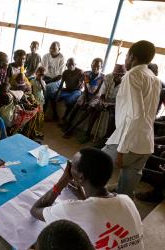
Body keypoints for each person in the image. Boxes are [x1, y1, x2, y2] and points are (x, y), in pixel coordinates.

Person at [31, 148, 144, 250]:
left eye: (71, 165)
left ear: (81, 177)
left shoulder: (71, 210)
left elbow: (35, 210)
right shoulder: (127, 200)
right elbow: (101, 211)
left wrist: (63, 181)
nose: (69, 168)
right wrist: (83, 197)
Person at [102, 40, 161, 198]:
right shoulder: (155, 79)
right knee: (126, 190)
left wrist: (121, 150)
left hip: (128, 142)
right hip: (145, 143)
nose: (126, 59)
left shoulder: (133, 74)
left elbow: (136, 115)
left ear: (132, 57)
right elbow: (149, 114)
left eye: (126, 55)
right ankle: (121, 212)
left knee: (91, 166)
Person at [63, 58, 104, 139]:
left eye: (98, 66)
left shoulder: (102, 77)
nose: (95, 67)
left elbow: (97, 92)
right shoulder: (86, 74)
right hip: (86, 94)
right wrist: (85, 98)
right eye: (93, 65)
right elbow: (85, 87)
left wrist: (88, 101)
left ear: (101, 67)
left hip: (95, 97)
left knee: (89, 109)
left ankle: (72, 129)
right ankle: (68, 124)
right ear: (91, 64)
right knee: (76, 106)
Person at [41, 42, 65, 111]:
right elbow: (42, 71)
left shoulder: (61, 58)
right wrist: (40, 80)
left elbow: (60, 76)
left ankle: (43, 111)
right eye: (50, 48)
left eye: (54, 48)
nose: (51, 50)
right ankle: (36, 109)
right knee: (34, 85)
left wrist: (47, 82)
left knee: (47, 88)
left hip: (57, 80)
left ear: (59, 49)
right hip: (46, 78)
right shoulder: (45, 56)